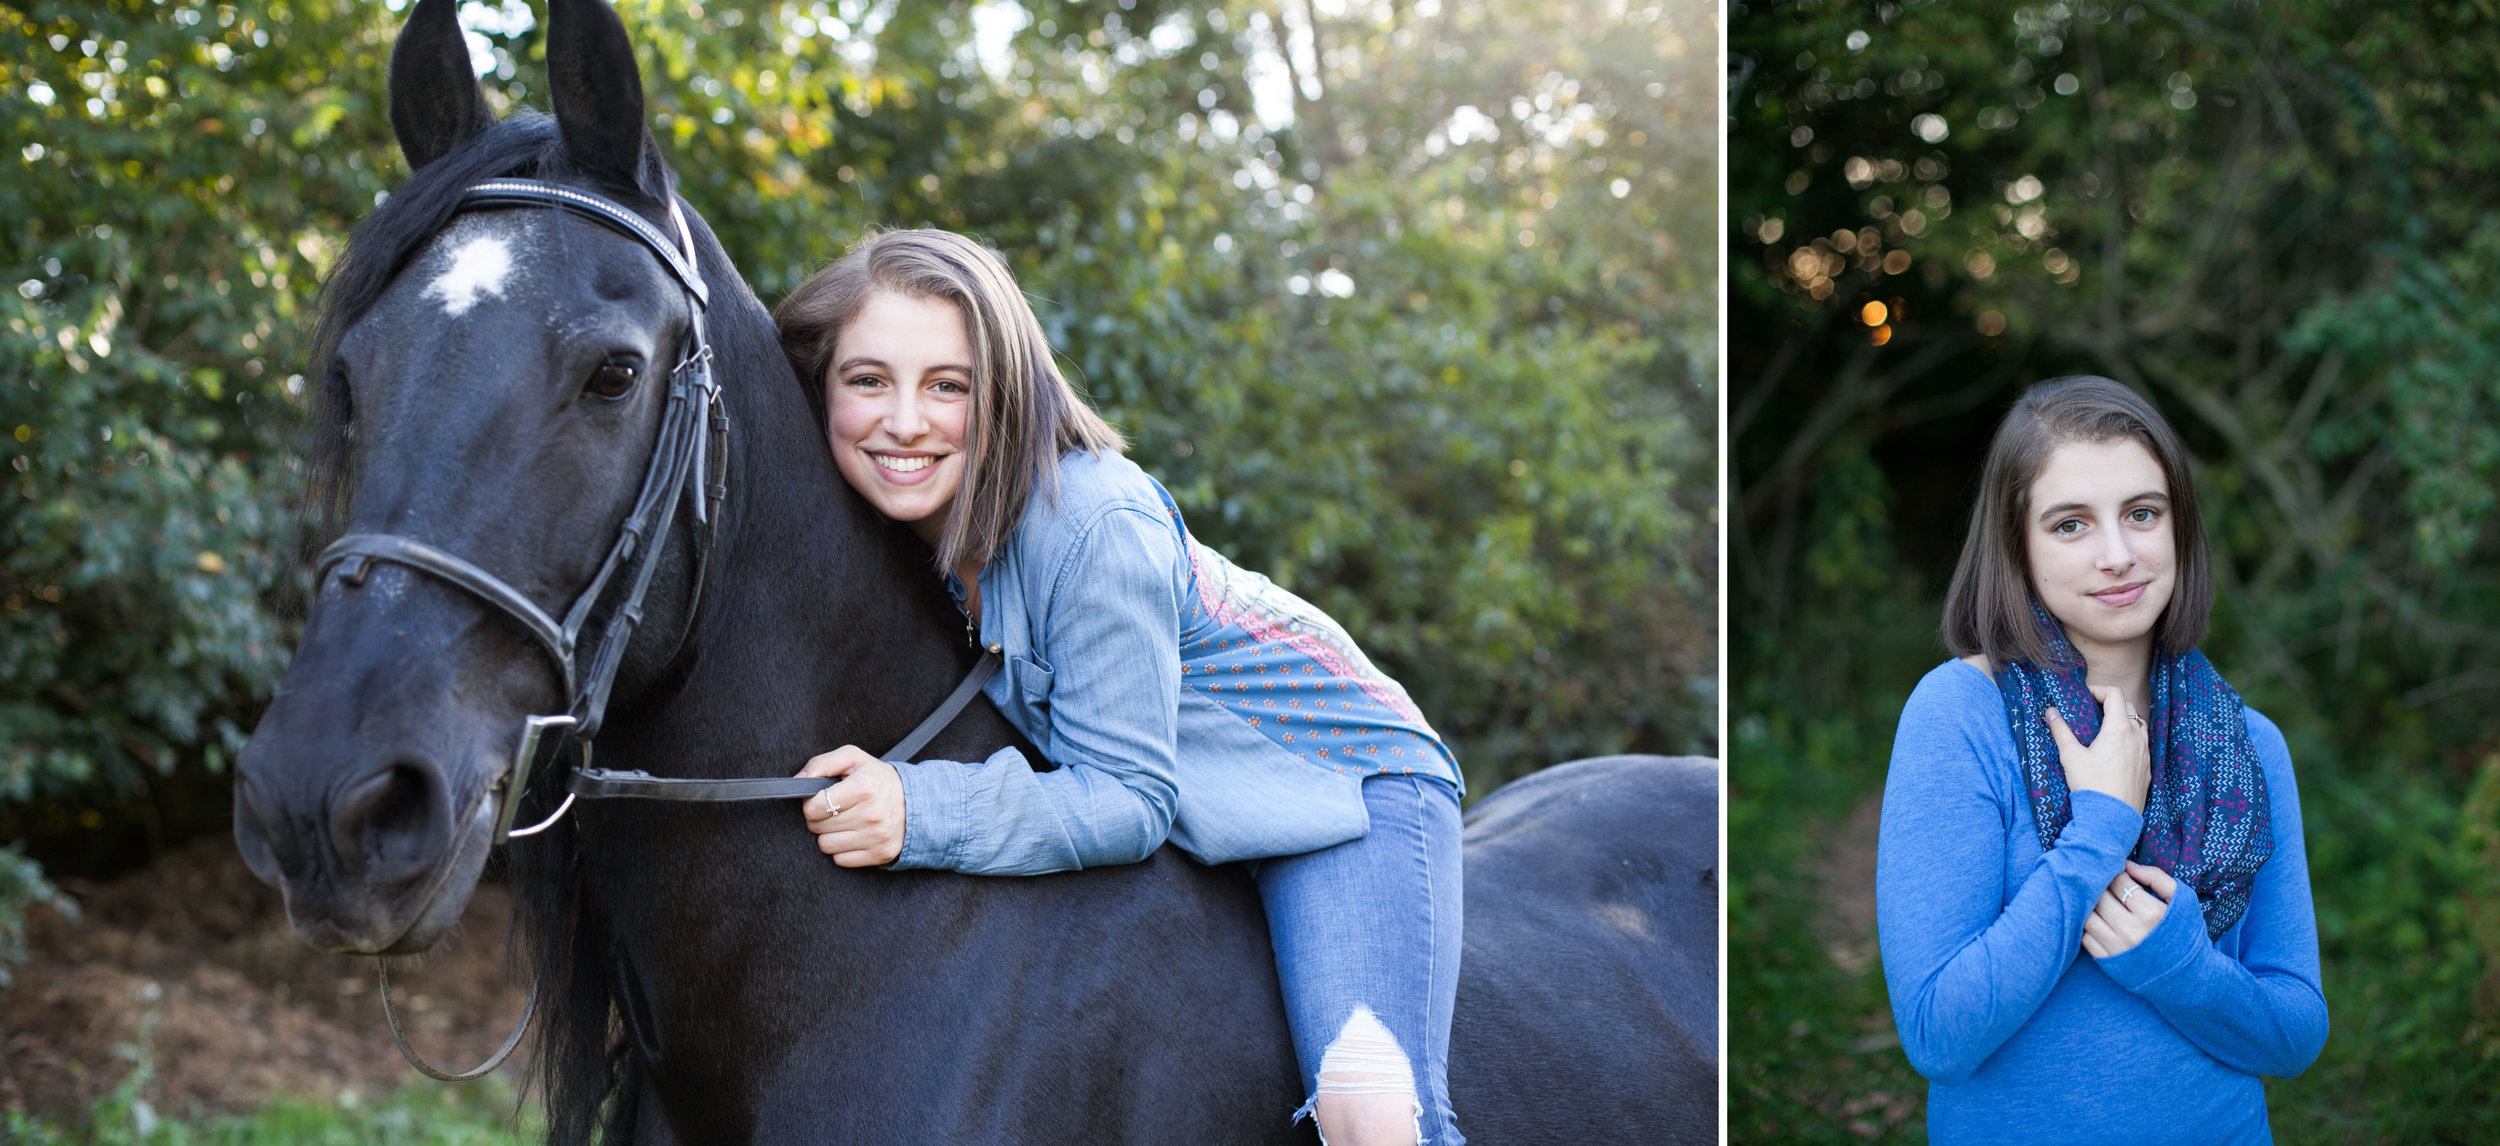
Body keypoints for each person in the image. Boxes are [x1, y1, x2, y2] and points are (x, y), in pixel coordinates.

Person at [771, 228, 1466, 1146]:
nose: (904, 419)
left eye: (950, 385)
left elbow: (1129, 798)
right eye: (868, 380)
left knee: (1367, 1104)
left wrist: (919, 810)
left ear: (1006, 395)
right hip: (1203, 802)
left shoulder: (1092, 528)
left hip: (1345, 783)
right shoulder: (898, 522)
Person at [1874, 376, 2327, 1144]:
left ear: (2179, 526)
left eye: (2142, 514)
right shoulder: (1958, 717)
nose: (2118, 555)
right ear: (2017, 546)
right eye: (2070, 525)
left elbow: (2293, 1034)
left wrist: (2177, 963)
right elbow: (1937, 1037)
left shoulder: (2252, 746)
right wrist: (2098, 833)